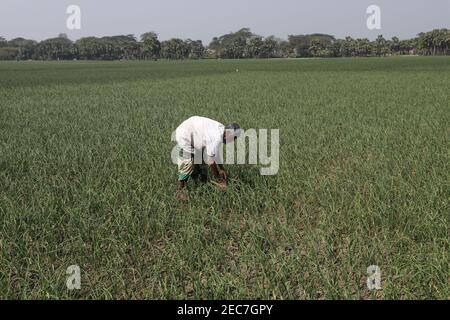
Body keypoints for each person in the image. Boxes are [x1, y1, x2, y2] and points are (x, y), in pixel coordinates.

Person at [174, 116, 241, 197]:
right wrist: (219, 179)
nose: (233, 141)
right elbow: (211, 161)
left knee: (201, 164)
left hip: (195, 134)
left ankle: (200, 186)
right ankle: (179, 191)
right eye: (234, 138)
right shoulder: (217, 137)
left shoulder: (222, 130)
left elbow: (214, 153)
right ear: (229, 133)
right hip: (184, 135)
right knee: (187, 165)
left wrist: (222, 169)